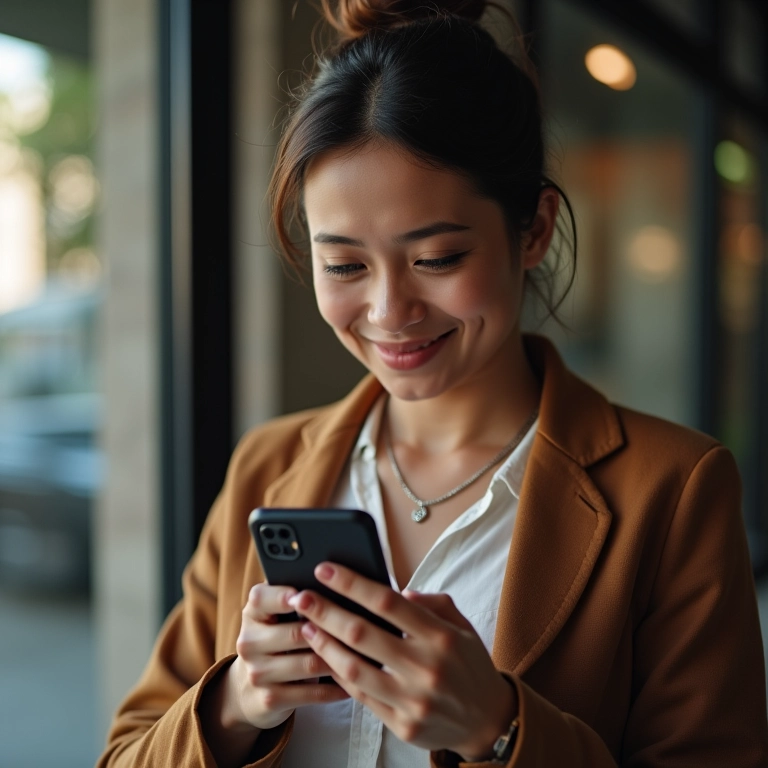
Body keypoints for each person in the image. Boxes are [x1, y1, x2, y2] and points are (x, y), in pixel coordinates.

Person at [97, 1, 768, 766]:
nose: (389, 312)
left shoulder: (674, 491)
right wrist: (235, 703)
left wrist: (502, 729)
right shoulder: (267, 465)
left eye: (438, 258)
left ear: (535, 229)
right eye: (344, 264)